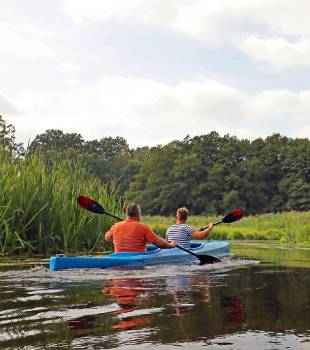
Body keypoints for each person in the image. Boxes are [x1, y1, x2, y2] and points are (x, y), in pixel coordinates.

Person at [105, 203, 177, 252]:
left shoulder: (115, 226)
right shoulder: (143, 227)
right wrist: (171, 245)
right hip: (138, 257)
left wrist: (120, 238)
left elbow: (107, 238)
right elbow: (159, 243)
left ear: (127, 214)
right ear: (138, 214)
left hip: (119, 256)